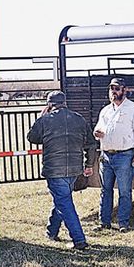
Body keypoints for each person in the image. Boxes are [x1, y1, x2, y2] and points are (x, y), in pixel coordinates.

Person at [27, 91, 96, 250]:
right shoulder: (78, 119)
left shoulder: (45, 120)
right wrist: (89, 164)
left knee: (64, 202)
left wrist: (39, 118)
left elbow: (32, 137)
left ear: (50, 104)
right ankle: (52, 232)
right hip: (74, 169)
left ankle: (79, 240)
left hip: (54, 170)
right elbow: (91, 144)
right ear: (65, 102)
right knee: (62, 199)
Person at [93, 77, 134, 233]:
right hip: (106, 155)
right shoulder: (106, 110)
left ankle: (123, 223)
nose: (113, 92)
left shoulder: (133, 109)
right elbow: (98, 129)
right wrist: (97, 133)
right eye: (111, 89)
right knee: (105, 190)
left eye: (117, 89)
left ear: (124, 90)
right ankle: (104, 222)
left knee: (124, 191)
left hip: (125, 155)